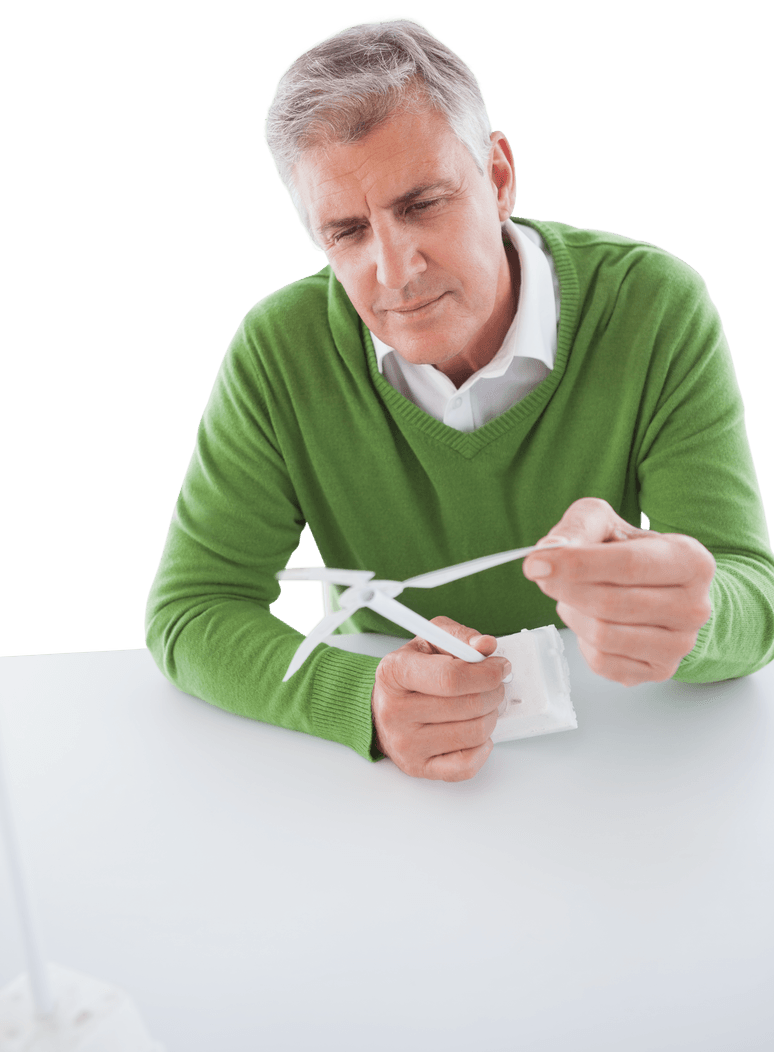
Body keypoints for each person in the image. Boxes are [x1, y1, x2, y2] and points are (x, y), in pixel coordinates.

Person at [145, 15, 774, 782]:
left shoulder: (652, 307)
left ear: (500, 177)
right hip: (398, 791)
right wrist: (362, 696)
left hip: (620, 766)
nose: (395, 270)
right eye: (346, 232)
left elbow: (752, 596)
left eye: (422, 205)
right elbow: (191, 611)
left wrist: (692, 617)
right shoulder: (282, 350)